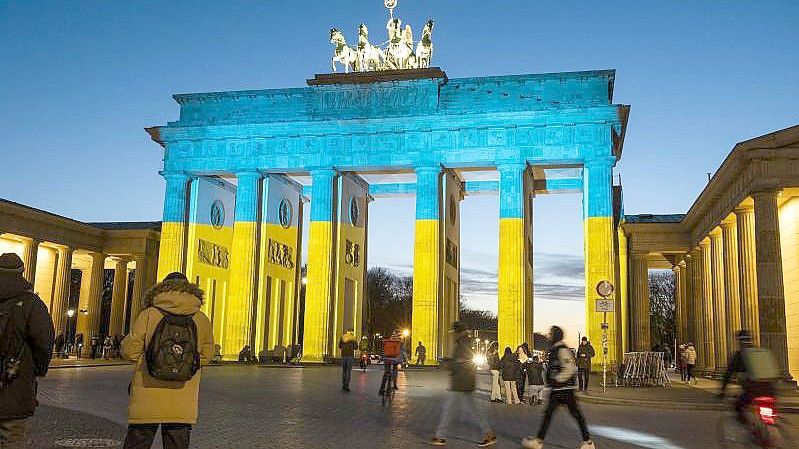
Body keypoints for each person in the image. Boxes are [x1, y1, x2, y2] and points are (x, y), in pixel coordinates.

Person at [120, 272, 214, 449]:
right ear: (190, 289)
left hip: (148, 392)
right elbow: (208, 355)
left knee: (138, 441)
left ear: (162, 288)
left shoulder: (149, 314)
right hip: (182, 394)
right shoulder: (201, 319)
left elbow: (130, 351)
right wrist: (186, 366)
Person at [0, 253, 54, 448]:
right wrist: (36, 369)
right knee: (12, 437)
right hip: (14, 379)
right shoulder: (32, 304)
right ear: (21, 272)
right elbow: (44, 342)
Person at [522, 326, 594, 449]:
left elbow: (570, 368)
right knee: (554, 414)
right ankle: (587, 442)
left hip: (564, 389)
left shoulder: (562, 350)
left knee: (569, 415)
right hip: (559, 389)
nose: (549, 336)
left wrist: (557, 380)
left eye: (551, 334)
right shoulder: (555, 349)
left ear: (556, 336)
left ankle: (587, 442)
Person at [431, 321, 496, 446]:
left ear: (458, 332)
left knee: (449, 410)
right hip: (466, 382)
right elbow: (461, 361)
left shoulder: (462, 344)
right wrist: (450, 360)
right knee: (476, 411)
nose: (452, 335)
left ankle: (440, 436)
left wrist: (448, 364)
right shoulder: (465, 342)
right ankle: (489, 434)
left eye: (454, 332)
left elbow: (463, 363)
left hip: (461, 382)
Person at [719, 330, 779, 425]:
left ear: (739, 341)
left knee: (738, 407)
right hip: (770, 389)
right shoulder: (762, 352)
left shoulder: (740, 355)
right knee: (770, 411)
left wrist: (722, 391)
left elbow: (728, 374)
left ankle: (751, 429)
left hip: (752, 391)